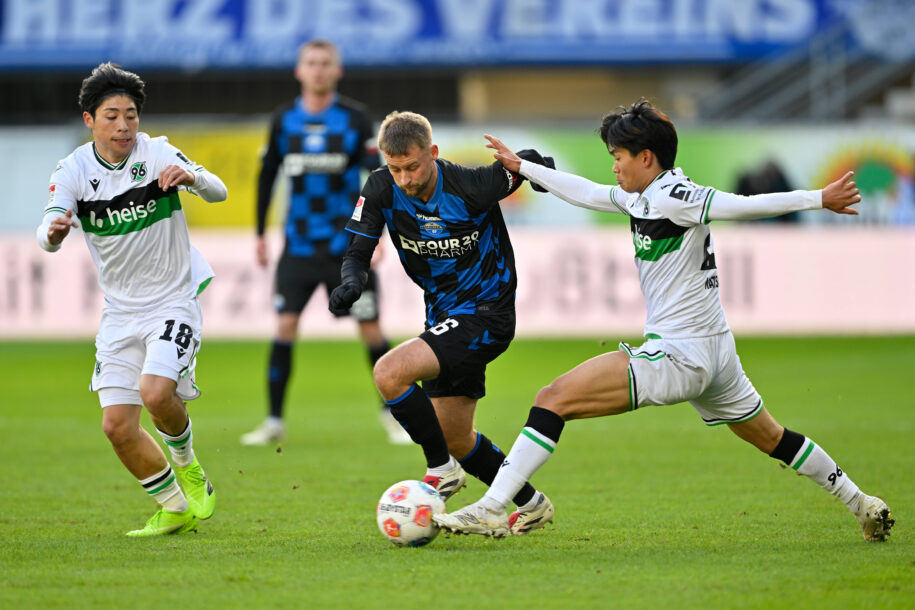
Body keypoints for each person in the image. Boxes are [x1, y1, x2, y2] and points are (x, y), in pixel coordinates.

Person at [434, 99, 895, 542]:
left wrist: (819, 198)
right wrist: (524, 167)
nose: (614, 167)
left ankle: (494, 506)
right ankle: (862, 503)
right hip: (717, 352)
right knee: (772, 437)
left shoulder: (676, 197)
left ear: (646, 157)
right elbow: (589, 193)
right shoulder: (644, 196)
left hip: (680, 354)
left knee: (553, 399)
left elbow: (740, 205)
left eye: (618, 157)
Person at [329, 111, 556, 534]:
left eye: (413, 167)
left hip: (487, 313)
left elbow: (528, 162)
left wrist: (540, 172)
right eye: (395, 168)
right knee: (456, 436)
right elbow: (357, 251)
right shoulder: (380, 187)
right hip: (443, 316)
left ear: (432, 152)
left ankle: (441, 470)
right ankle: (531, 503)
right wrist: (352, 283)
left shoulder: (472, 185)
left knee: (389, 373)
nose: (405, 179)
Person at [37, 63, 227, 536]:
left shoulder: (157, 151)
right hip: (120, 312)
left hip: (173, 300)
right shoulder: (73, 169)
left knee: (156, 392)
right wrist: (53, 234)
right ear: (89, 120)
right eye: (112, 116)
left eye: (131, 116)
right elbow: (49, 225)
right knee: (117, 427)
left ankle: (189, 466)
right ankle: (174, 507)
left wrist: (190, 177)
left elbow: (219, 191)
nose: (123, 126)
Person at [240, 39, 407, 446]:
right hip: (298, 247)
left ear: (337, 71)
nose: (318, 70)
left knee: (370, 328)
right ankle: (274, 421)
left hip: (346, 248)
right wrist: (260, 233)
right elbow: (267, 176)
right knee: (284, 326)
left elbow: (379, 178)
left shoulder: (355, 119)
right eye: (311, 63)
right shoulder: (284, 120)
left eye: (325, 63)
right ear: (299, 71)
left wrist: (378, 234)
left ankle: (394, 416)